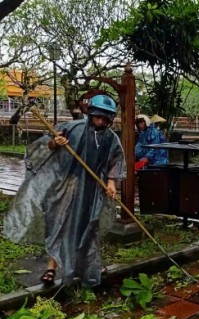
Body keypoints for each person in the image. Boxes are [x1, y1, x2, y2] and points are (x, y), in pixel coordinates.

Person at [3, 94, 126, 287]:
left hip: (92, 191)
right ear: (91, 113)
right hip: (65, 187)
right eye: (97, 116)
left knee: (89, 227)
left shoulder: (111, 138)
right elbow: (43, 147)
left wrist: (111, 183)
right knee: (58, 225)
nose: (100, 121)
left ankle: (88, 267)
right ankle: (51, 269)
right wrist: (54, 144)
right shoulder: (72, 128)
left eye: (105, 118)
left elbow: (116, 161)